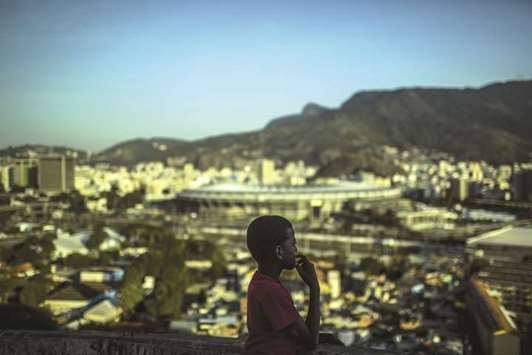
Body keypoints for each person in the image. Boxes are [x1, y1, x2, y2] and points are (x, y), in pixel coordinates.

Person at [244, 215, 320, 355]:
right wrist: (314, 287)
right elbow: (310, 342)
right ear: (279, 251)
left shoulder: (259, 283)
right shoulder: (271, 291)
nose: (296, 250)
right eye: (292, 244)